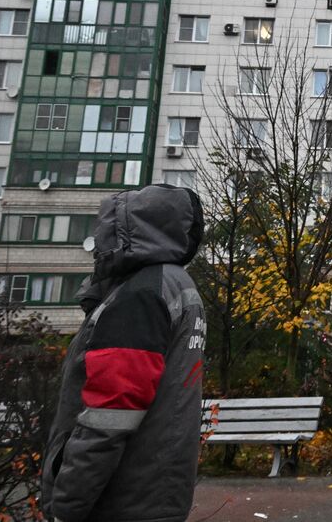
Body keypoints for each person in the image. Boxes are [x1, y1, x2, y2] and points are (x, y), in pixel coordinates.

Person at [42, 183, 206, 522]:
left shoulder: (140, 296)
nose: (98, 243)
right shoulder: (177, 285)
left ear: (128, 230)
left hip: (118, 500)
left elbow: (109, 418)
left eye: (108, 228)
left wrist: (66, 506)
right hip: (155, 492)